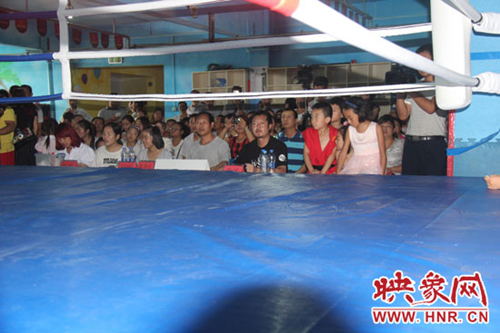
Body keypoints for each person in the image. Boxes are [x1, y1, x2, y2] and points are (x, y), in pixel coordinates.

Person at [396, 44, 447, 176]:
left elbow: (431, 108)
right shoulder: (416, 85)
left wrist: (412, 91)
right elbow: (403, 116)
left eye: (425, 61)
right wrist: (399, 95)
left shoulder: (442, 83)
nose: (421, 65)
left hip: (433, 143)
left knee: (433, 186)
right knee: (409, 185)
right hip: (411, 142)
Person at [337, 98, 386, 175]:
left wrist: (382, 174)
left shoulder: (376, 128)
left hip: (373, 164)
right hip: (355, 163)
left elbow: (382, 153)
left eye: (351, 118)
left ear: (360, 113)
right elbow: (343, 152)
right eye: (346, 119)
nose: (348, 121)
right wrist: (338, 172)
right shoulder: (350, 129)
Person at [303, 102, 338, 174]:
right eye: (312, 117)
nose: (313, 120)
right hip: (312, 172)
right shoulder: (309, 132)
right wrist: (312, 170)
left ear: (327, 119)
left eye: (316, 117)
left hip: (330, 172)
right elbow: (306, 154)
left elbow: (332, 155)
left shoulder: (335, 133)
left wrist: (322, 173)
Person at [11, 87, 38, 165]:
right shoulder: (32, 108)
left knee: (20, 163)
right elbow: (36, 127)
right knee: (30, 162)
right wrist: (32, 138)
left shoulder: (15, 109)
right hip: (30, 138)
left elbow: (14, 125)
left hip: (18, 139)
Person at [278, 109, 306, 173]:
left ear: (296, 120)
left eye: (289, 117)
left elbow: (308, 161)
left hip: (299, 177)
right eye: (283, 117)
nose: (285, 119)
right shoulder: (278, 138)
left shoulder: (304, 138)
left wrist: (296, 175)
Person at [0, 90, 16, 165]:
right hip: (4, 149)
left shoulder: (8, 110)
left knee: (7, 173)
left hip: (5, 148)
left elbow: (11, 126)